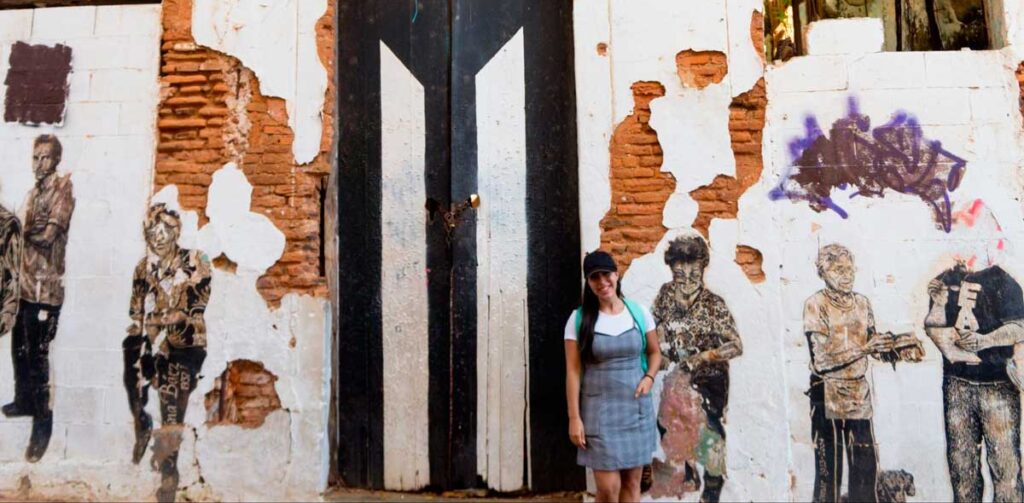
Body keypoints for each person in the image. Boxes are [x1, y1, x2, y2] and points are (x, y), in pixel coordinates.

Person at [123, 203, 211, 503]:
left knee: (171, 404)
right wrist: (139, 332)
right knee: (130, 361)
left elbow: (191, 310)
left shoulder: (196, 261)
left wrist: (157, 323)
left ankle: (169, 473)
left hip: (184, 346)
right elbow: (136, 311)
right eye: (151, 232)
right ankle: (141, 422)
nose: (157, 238)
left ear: (175, 233)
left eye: (163, 231)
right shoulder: (143, 268)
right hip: (154, 342)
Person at [650, 235, 742, 503]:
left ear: (703, 268)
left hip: (710, 378)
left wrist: (703, 357)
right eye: (680, 272)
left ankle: (713, 486)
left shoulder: (714, 304)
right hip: (678, 378)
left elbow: (736, 345)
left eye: (694, 272)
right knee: (666, 424)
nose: (687, 279)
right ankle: (690, 470)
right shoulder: (666, 295)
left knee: (709, 432)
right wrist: (661, 351)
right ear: (672, 269)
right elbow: (654, 328)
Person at [565, 250, 661, 502]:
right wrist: (574, 418)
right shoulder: (578, 319)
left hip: (636, 411)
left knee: (632, 484)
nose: (602, 282)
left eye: (606, 274)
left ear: (616, 274)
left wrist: (649, 377)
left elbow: (654, 353)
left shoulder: (638, 313)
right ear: (588, 282)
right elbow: (573, 371)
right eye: (594, 277)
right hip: (599, 415)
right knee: (608, 489)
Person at [925, 261, 1024, 502]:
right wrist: (938, 304)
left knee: (1006, 469)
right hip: (956, 384)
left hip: (998, 386)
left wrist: (985, 341)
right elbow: (933, 326)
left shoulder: (1001, 278)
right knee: (962, 469)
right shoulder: (945, 279)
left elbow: (1019, 327)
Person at [4, 134, 75, 463]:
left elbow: (47, 237)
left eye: (45, 157)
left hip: (46, 290)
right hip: (25, 287)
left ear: (56, 160)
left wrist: (17, 230)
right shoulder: (32, 194)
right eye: (35, 157)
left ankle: (42, 426)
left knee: (38, 357)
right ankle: (24, 402)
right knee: (19, 347)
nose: (39, 163)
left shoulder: (62, 190)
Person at [804, 244, 889, 502]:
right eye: (838, 270)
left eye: (849, 269)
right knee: (828, 472)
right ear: (823, 273)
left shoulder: (862, 303)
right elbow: (821, 361)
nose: (846, 275)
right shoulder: (815, 304)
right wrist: (864, 349)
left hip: (858, 393)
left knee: (865, 468)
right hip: (826, 391)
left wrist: (892, 348)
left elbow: (872, 344)